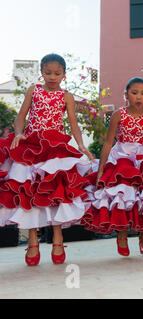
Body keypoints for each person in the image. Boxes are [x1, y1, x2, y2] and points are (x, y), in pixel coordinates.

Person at [0, 53, 94, 266]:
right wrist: (18, 133)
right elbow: (21, 116)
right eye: (47, 72)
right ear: (41, 72)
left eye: (57, 73)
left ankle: (58, 238)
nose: (52, 76)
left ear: (64, 74)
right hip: (32, 145)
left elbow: (73, 124)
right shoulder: (34, 90)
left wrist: (80, 145)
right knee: (30, 193)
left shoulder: (67, 96)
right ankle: (33, 239)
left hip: (55, 149)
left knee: (55, 193)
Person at [81, 77, 143, 256]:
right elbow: (108, 143)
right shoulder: (119, 114)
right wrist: (101, 169)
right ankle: (122, 235)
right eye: (134, 93)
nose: (139, 97)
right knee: (123, 196)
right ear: (126, 95)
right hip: (122, 157)